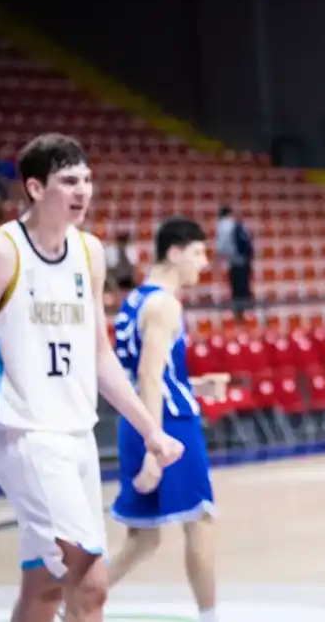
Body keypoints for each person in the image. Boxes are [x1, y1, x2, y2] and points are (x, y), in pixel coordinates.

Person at [0, 133, 184, 622]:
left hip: (76, 435)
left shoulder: (89, 253)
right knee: (90, 582)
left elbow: (99, 356)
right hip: (25, 435)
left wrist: (150, 431)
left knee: (45, 587)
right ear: (34, 187)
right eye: (69, 180)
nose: (83, 191)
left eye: (88, 180)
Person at [107, 215, 219, 622]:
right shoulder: (164, 304)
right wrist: (156, 450)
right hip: (167, 425)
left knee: (142, 540)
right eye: (197, 253)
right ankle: (210, 617)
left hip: (136, 421)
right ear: (174, 252)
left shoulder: (134, 301)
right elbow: (149, 377)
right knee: (201, 520)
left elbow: (153, 374)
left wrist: (200, 385)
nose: (203, 263)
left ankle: (75, 604)